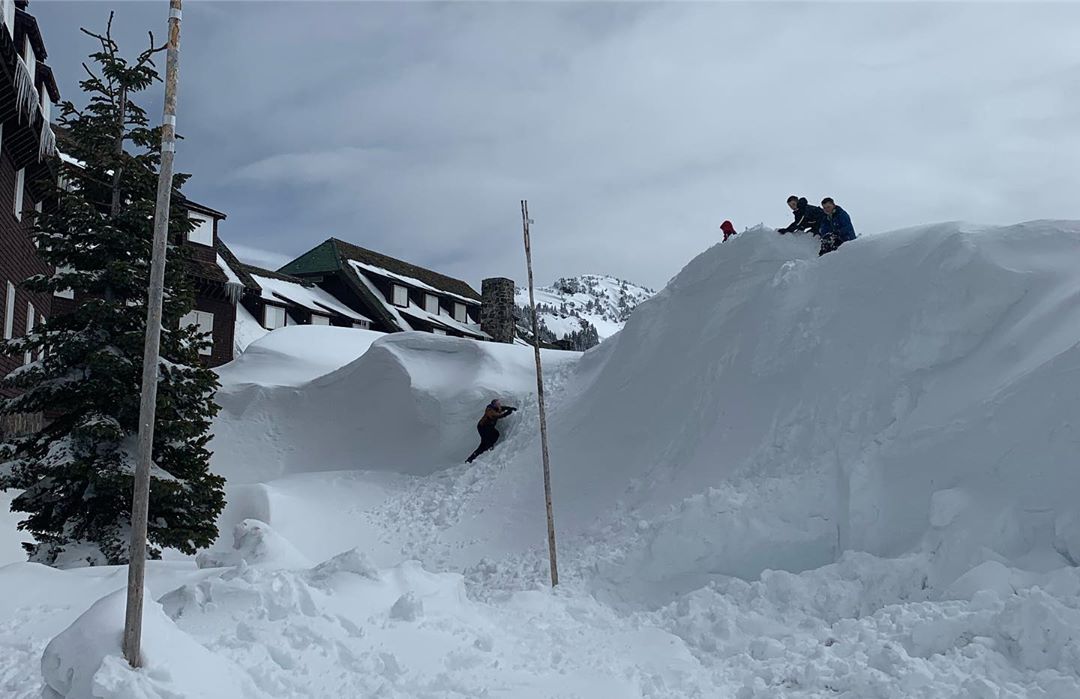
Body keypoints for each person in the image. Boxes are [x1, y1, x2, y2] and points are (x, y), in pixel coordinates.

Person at [466, 399, 517, 463]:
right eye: (497, 404)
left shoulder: (496, 408)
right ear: (493, 405)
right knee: (491, 438)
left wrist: (509, 408)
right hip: (483, 427)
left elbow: (502, 408)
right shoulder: (490, 410)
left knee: (487, 441)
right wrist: (508, 412)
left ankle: (471, 458)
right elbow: (498, 415)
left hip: (488, 427)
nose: (499, 405)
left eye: (499, 403)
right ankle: (475, 457)